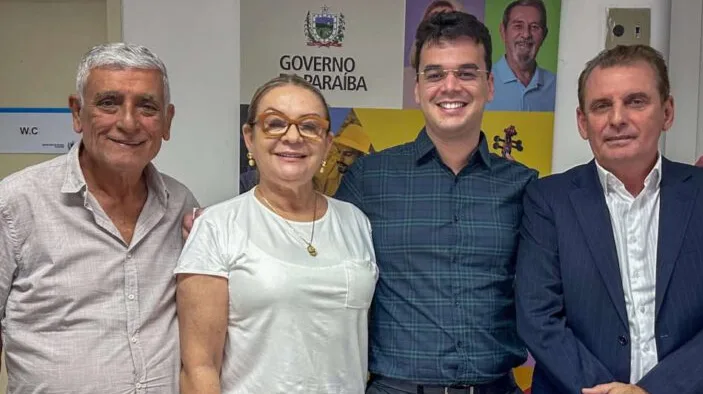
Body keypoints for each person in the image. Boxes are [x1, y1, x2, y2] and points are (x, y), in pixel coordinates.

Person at [515, 44, 703, 394]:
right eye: (601, 106)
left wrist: (656, 390)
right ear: (583, 123)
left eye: (636, 101)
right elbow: (537, 317)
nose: (617, 119)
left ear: (667, 111)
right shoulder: (547, 201)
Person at [337, 11, 534, 393]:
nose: (450, 86)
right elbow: (311, 252)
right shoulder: (369, 178)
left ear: (489, 85)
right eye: (434, 74)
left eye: (466, 73)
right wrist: (232, 227)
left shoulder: (524, 186)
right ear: (417, 88)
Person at [0, 42, 198, 393]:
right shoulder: (15, 203)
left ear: (167, 121)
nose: (128, 122)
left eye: (146, 107)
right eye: (108, 103)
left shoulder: (181, 206)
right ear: (77, 113)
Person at [175, 74, 378, 393]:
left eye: (310, 126)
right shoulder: (217, 227)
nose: (293, 137)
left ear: (327, 143)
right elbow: (199, 367)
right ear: (249, 137)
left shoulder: (356, 223)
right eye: (275, 123)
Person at [486, 0, 556, 112]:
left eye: (534, 27)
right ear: (503, 31)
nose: (526, 34)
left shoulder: (557, 87)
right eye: (518, 26)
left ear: (544, 35)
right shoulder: (483, 83)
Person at [314, 122, 373, 196]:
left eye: (347, 154)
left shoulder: (366, 184)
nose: (340, 158)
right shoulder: (330, 172)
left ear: (360, 157)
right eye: (339, 152)